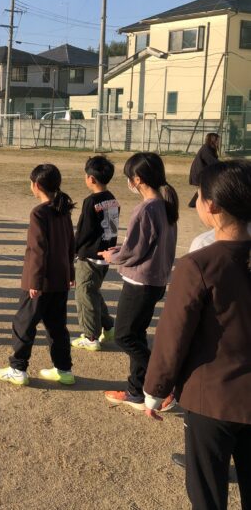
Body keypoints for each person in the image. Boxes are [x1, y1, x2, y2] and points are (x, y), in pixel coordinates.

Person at [143, 160, 250, 510]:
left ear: (213, 206)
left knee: (206, 489)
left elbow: (173, 335)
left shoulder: (199, 265)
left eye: (200, 196)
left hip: (213, 398)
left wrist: (155, 390)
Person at [100, 152, 178, 410]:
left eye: (129, 179)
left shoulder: (147, 208)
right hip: (154, 281)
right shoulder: (165, 205)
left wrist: (113, 257)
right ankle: (135, 390)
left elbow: (134, 251)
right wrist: (119, 251)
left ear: (138, 179)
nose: (129, 184)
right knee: (137, 334)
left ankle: (164, 385)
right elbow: (145, 245)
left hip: (141, 283)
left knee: (124, 337)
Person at [0, 164, 76, 386]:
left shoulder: (39, 213)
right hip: (60, 280)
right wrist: (71, 272)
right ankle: (64, 369)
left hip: (40, 282)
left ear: (36, 185)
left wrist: (35, 281)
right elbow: (70, 244)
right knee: (57, 326)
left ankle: (18, 368)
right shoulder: (63, 209)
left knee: (23, 323)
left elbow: (38, 249)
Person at [72, 156, 120, 351]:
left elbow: (84, 230)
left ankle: (91, 336)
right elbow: (114, 228)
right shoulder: (112, 199)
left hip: (89, 257)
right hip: (105, 255)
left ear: (91, 179)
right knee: (93, 291)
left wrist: (74, 250)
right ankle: (108, 327)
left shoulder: (91, 201)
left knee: (84, 294)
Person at [188, 132, 220, 208]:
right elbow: (212, 161)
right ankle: (194, 203)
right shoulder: (206, 148)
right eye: (217, 140)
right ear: (213, 140)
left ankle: (193, 203)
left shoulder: (210, 148)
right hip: (200, 173)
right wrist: (225, 165)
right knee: (207, 187)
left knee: (204, 188)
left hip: (203, 173)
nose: (219, 142)